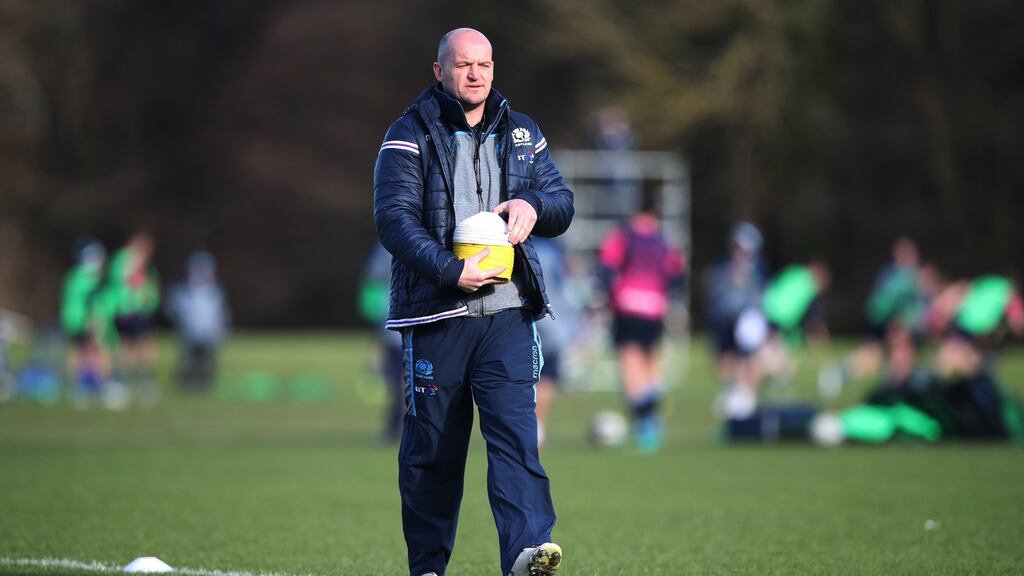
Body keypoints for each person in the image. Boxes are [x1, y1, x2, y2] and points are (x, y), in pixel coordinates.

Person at [373, 28, 574, 576]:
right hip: (439, 315)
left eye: (483, 64)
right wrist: (450, 270)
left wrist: (534, 203)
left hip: (508, 315)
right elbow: (393, 220)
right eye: (463, 65)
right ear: (439, 70)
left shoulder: (522, 131)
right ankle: (430, 566)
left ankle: (526, 552)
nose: (475, 74)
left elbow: (561, 202)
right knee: (433, 455)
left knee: (516, 440)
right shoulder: (407, 134)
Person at [598, 185, 686, 452]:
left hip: (628, 306)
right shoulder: (664, 241)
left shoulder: (623, 236)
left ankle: (645, 422)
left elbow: (606, 268)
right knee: (650, 364)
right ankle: (652, 417)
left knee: (631, 365)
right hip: (655, 309)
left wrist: (606, 298)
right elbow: (676, 275)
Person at [703, 222, 767, 408]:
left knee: (749, 358)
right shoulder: (722, 266)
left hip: (747, 318)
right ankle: (733, 391)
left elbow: (759, 296)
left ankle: (747, 395)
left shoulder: (757, 268)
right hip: (724, 318)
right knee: (725, 358)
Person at [106, 232, 161, 405]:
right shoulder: (122, 261)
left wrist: (150, 303)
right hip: (125, 311)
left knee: (146, 346)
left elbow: (151, 288)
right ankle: (119, 382)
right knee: (126, 347)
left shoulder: (147, 266)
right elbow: (118, 282)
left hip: (141, 312)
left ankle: (146, 381)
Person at [359, 241, 405, 443]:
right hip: (400, 323)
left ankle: (397, 428)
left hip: (396, 323)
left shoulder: (388, 243)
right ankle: (399, 427)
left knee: (401, 379)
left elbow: (373, 276)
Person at [165, 251, 230, 392]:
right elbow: (173, 309)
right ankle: (187, 383)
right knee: (190, 360)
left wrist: (222, 329)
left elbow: (220, 313)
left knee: (206, 361)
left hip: (208, 333)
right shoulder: (183, 291)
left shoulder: (215, 292)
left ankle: (204, 384)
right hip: (190, 332)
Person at [60, 238, 113, 404]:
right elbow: (87, 302)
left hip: (76, 321)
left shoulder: (74, 277)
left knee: (84, 353)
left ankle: (85, 387)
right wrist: (92, 321)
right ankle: (89, 386)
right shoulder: (85, 279)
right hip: (84, 321)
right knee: (91, 352)